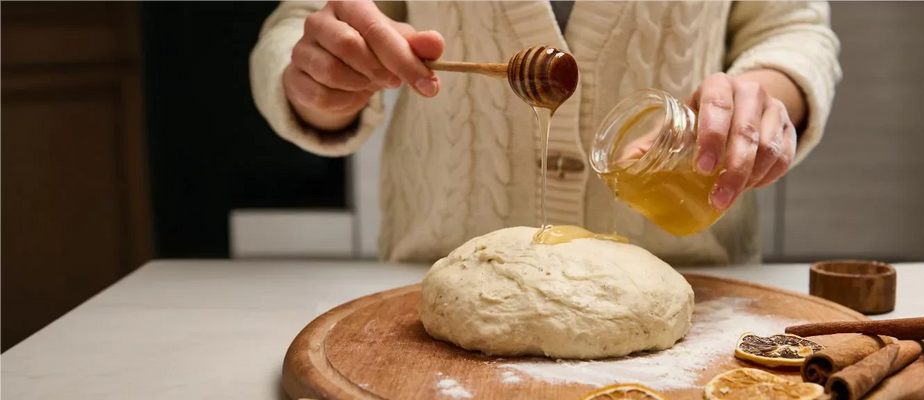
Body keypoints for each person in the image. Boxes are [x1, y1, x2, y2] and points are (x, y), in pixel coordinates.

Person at [250, 0, 841, 265]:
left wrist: (761, 94)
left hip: (692, 280)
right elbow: (300, 23)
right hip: (436, 272)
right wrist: (321, 79)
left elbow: (792, 27)